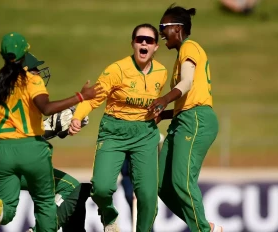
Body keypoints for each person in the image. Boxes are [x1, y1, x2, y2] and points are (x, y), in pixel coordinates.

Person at [0, 32, 102, 232]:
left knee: (6, 205)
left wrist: (11, 128)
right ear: (24, 57)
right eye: (34, 68)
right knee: (46, 202)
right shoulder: (31, 81)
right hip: (31, 152)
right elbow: (46, 108)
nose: (38, 72)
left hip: (1, 152)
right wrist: (81, 96)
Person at [69, 23, 168, 232]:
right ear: (133, 43)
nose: (143, 43)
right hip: (114, 131)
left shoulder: (161, 72)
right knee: (101, 189)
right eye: (139, 39)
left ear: (156, 47)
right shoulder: (116, 70)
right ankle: (109, 215)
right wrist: (78, 116)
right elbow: (93, 98)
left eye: (149, 40)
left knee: (148, 197)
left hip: (144, 133)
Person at [148, 4, 223, 232]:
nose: (161, 33)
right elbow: (186, 99)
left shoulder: (189, 47)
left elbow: (187, 84)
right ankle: (203, 227)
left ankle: (202, 230)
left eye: (164, 27)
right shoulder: (181, 55)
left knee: (182, 181)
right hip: (183, 120)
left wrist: (163, 100)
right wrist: (166, 114)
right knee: (161, 185)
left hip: (197, 120)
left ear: (178, 29)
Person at [18, 52, 92, 232]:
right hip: (20, 165)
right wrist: (76, 102)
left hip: (12, 163)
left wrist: (62, 126)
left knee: (78, 193)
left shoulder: (13, 96)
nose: (39, 74)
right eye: (35, 70)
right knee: (73, 189)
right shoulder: (25, 99)